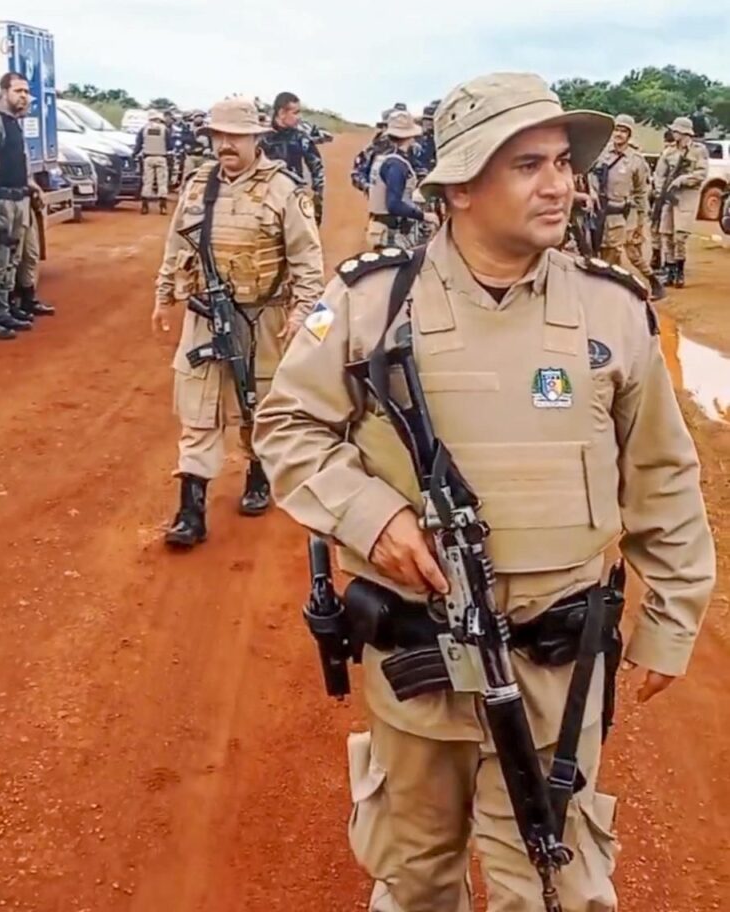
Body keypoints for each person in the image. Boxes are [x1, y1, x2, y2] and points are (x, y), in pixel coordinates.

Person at [253, 72, 715, 912]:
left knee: (550, 886)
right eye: (527, 165)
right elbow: (288, 427)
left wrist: (672, 619)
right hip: (416, 661)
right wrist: (374, 516)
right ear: (460, 187)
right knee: (416, 879)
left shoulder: (612, 310)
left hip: (556, 669)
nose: (558, 184)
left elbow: (660, 473)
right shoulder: (370, 303)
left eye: (562, 163)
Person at [152, 97, 324, 548]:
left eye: (235, 136)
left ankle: (258, 473)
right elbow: (175, 246)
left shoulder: (284, 190)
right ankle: (190, 511)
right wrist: (164, 295)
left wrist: (301, 313)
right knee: (198, 411)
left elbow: (308, 262)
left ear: (255, 139)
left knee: (258, 406)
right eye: (219, 136)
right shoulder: (197, 186)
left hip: (261, 318)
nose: (225, 144)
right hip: (205, 317)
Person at [0, 72, 46, 339]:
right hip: (0, 199)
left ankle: (2, 310)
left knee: (10, 260)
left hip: (17, 198)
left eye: (26, 92)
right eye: (18, 91)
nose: (24, 96)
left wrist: (30, 184)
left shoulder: (13, 122)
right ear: (4, 92)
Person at [589, 114, 663, 299]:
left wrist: (640, 222)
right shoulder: (601, 153)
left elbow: (641, 193)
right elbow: (588, 174)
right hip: (597, 212)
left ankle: (644, 284)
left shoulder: (636, 160)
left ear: (629, 135)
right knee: (598, 252)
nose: (619, 134)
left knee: (619, 253)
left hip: (620, 214)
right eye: (617, 130)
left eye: (623, 131)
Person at [366, 110, 435, 250]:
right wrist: (424, 216)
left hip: (380, 227)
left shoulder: (382, 158)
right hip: (393, 231)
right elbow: (394, 204)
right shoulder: (396, 164)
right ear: (411, 136)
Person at [652, 116, 708, 288]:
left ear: (684, 133)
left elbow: (701, 173)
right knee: (666, 234)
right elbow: (659, 174)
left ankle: (679, 271)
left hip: (686, 196)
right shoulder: (669, 152)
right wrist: (661, 190)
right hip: (668, 197)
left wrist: (683, 179)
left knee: (680, 236)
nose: (673, 133)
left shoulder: (698, 151)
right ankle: (670, 271)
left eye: (676, 131)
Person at [259, 91, 325, 225]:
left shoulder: (300, 138)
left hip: (293, 197)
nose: (299, 118)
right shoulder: (261, 139)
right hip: (265, 199)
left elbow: (317, 168)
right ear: (282, 113)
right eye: (295, 113)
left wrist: (317, 198)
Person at [134, 110, 173, 215]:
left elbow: (138, 145)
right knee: (162, 182)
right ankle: (163, 207)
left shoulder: (144, 129)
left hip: (148, 158)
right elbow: (170, 146)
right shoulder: (165, 129)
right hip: (161, 158)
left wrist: (134, 154)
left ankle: (145, 207)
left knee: (147, 182)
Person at [352, 118, 392, 194]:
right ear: (384, 128)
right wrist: (369, 187)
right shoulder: (373, 148)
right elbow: (357, 173)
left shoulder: (412, 148)